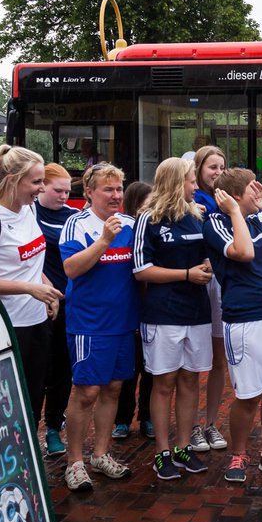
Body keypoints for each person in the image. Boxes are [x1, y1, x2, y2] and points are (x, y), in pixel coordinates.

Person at [203, 168, 262, 483]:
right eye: (253, 188)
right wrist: (232, 212)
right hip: (244, 317)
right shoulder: (215, 223)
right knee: (248, 395)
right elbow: (242, 253)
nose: (260, 191)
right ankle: (238, 454)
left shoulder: (257, 219)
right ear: (234, 196)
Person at [0, 145, 62, 435]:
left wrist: (46, 286)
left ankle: (27, 461)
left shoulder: (28, 210)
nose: (41, 188)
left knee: (33, 399)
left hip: (36, 321)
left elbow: (31, 260)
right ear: (12, 180)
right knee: (5, 404)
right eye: (35, 182)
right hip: (7, 326)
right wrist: (28, 288)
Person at [57, 163, 138, 490]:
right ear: (89, 192)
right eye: (108, 189)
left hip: (124, 322)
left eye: (119, 189)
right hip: (89, 323)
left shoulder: (132, 224)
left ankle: (100, 454)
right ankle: (74, 460)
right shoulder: (76, 224)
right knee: (87, 391)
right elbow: (72, 269)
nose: (116, 195)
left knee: (114, 388)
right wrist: (104, 239)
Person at [133, 158, 215, 479]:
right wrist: (186, 274)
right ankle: (162, 452)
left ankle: (184, 447)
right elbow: (141, 270)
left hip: (197, 313)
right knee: (164, 382)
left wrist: (206, 266)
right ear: (174, 182)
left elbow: (207, 257)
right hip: (163, 313)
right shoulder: (148, 219)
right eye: (191, 181)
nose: (196, 187)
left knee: (191, 379)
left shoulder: (199, 217)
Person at [34, 163, 75, 457]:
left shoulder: (74, 217)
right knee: (37, 370)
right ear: (41, 188)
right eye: (57, 190)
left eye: (68, 191)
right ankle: (28, 428)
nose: (63, 196)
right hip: (36, 303)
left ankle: (53, 428)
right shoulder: (29, 215)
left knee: (62, 370)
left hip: (69, 302)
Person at [191, 144, 230, 452]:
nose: (217, 173)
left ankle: (211, 423)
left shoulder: (226, 199)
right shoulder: (191, 200)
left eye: (221, 167)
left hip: (221, 283)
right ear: (198, 169)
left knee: (219, 360)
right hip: (194, 283)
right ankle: (192, 426)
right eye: (211, 167)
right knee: (191, 364)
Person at [115, 180, 155, 440]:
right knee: (128, 370)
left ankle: (147, 417)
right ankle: (122, 419)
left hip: (151, 305)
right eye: (148, 201)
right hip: (128, 305)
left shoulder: (152, 226)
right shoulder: (123, 226)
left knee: (151, 368)